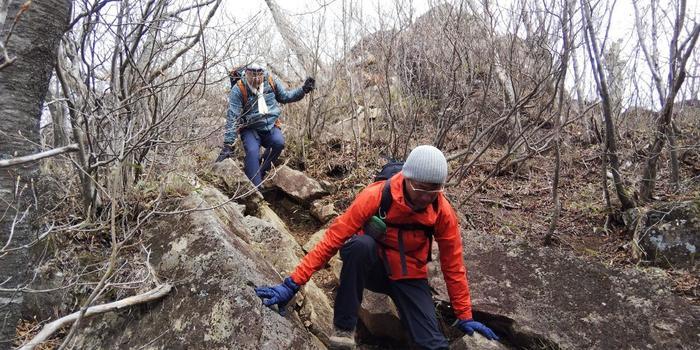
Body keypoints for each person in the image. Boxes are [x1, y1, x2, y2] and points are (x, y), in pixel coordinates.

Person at [254, 145, 499, 349]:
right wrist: (292, 284)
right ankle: (344, 328)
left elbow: (453, 265)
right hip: (373, 266)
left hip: (409, 274)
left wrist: (464, 314)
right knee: (360, 245)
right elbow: (332, 239)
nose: (427, 196)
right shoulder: (376, 195)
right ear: (407, 178)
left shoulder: (442, 211)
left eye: (434, 190)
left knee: (433, 344)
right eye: (421, 189)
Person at [216, 63, 315, 186]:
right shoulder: (239, 89)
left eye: (259, 76)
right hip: (250, 128)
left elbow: (285, 97)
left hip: (271, 125)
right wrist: (228, 145)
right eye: (253, 76)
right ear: (246, 74)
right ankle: (255, 190)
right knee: (252, 152)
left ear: (263, 74)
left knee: (278, 143)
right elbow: (233, 116)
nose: (257, 79)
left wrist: (303, 90)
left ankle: (259, 174)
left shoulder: (270, 81)